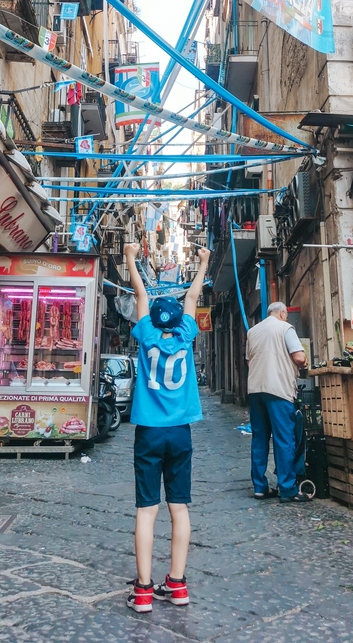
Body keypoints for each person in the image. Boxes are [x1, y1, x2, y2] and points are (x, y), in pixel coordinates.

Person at [124, 243, 210, 614]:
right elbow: (192, 295)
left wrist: (130, 256)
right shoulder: (187, 334)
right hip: (179, 432)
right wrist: (204, 262)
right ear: (178, 321)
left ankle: (143, 592)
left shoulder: (144, 336)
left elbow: (141, 293)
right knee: (180, 508)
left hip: (148, 431)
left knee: (147, 510)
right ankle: (177, 585)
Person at [246, 301, 311, 503]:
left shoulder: (253, 331)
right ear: (283, 313)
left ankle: (260, 487)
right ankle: (287, 488)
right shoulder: (285, 328)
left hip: (255, 389)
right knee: (284, 439)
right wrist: (305, 362)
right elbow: (299, 357)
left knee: (259, 439)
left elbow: (248, 360)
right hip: (278, 389)